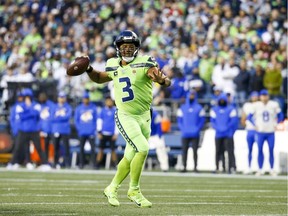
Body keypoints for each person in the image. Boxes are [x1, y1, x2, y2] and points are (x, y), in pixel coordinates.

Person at [79, 30, 171, 207]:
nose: (127, 50)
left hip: (145, 116)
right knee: (143, 148)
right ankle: (134, 190)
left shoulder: (146, 61)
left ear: (136, 48)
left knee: (130, 155)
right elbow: (99, 78)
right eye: (124, 47)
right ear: (118, 48)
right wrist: (89, 69)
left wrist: (161, 80)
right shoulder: (113, 64)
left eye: (131, 46)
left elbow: (164, 80)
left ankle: (112, 188)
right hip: (125, 115)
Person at [10, 88, 49, 170]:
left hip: (33, 130)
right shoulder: (20, 106)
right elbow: (21, 116)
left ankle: (45, 163)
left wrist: (27, 112)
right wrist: (30, 112)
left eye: (28, 96)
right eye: (25, 97)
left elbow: (36, 114)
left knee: (38, 147)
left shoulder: (36, 105)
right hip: (23, 130)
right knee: (18, 147)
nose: (27, 98)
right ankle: (12, 163)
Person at [248, 89, 283, 176]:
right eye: (263, 95)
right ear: (260, 97)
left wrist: (277, 123)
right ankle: (260, 169)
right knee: (260, 150)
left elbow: (281, 115)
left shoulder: (273, 104)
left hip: (270, 131)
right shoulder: (256, 105)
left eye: (265, 95)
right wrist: (254, 124)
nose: (264, 97)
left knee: (271, 149)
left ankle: (271, 169)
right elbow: (249, 117)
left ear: (268, 96)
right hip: (260, 131)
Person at [177, 90, 205, 172]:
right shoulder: (182, 108)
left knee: (195, 151)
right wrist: (183, 129)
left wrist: (197, 129)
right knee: (184, 151)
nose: (191, 97)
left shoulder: (199, 108)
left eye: (193, 95)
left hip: (195, 133)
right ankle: (184, 167)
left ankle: (195, 167)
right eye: (190, 95)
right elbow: (179, 120)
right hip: (185, 133)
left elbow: (202, 120)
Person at [210, 93, 238, 173]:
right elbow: (213, 121)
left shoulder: (231, 109)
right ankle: (218, 167)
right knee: (218, 151)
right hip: (218, 134)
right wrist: (218, 128)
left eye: (223, 100)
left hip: (228, 133)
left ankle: (231, 167)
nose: (222, 101)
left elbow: (233, 121)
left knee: (230, 151)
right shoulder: (215, 109)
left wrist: (226, 128)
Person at [74, 91, 98, 169]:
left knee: (93, 149)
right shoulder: (79, 108)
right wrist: (79, 129)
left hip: (91, 132)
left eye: (87, 98)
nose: (86, 100)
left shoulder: (93, 107)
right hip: (82, 132)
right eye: (84, 98)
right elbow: (76, 120)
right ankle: (81, 163)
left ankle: (93, 164)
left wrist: (93, 129)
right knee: (81, 149)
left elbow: (96, 120)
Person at [96, 96, 118, 169]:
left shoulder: (115, 110)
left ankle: (115, 164)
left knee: (113, 150)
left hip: (112, 134)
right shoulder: (102, 111)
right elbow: (99, 121)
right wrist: (99, 132)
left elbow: (117, 122)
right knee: (101, 149)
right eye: (108, 101)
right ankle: (98, 164)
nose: (109, 103)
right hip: (103, 133)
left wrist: (116, 133)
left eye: (110, 101)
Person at [51, 91, 72, 169]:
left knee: (66, 147)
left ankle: (67, 163)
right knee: (56, 147)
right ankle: (55, 162)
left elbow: (67, 117)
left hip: (65, 129)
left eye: (63, 98)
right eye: (60, 97)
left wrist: (58, 117)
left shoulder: (68, 107)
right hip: (56, 129)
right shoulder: (54, 107)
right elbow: (52, 118)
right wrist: (61, 118)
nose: (62, 99)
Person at [241, 91, 259, 174]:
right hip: (250, 129)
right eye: (253, 96)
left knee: (260, 149)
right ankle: (248, 166)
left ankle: (259, 167)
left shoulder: (260, 105)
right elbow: (244, 117)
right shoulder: (247, 105)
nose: (255, 98)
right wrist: (245, 124)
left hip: (259, 130)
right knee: (249, 149)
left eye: (256, 96)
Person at [38, 92, 55, 161]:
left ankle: (55, 161)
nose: (41, 99)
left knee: (54, 146)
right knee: (45, 146)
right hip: (44, 129)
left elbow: (53, 117)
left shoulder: (51, 105)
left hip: (52, 129)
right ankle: (45, 161)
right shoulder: (40, 106)